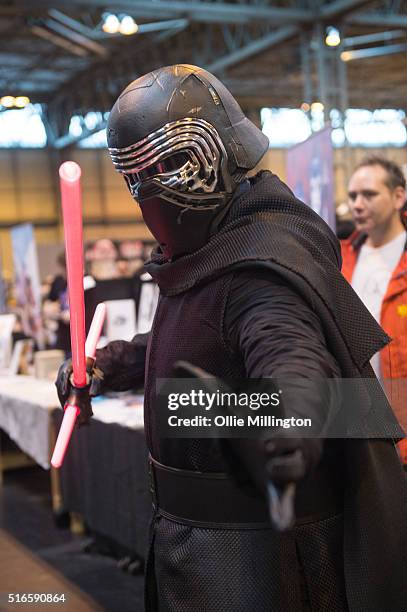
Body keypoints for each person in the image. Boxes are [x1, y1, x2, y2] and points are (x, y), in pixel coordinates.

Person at [56, 65, 407, 611]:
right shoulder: (215, 249)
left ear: (222, 152)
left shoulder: (260, 263)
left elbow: (291, 357)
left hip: (249, 559)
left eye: (171, 163)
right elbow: (196, 337)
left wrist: (285, 427)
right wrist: (109, 364)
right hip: (203, 543)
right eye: (137, 174)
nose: (152, 190)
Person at [341, 157, 407, 465]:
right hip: (360, 430)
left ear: (398, 197)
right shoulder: (339, 259)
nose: (357, 204)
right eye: (353, 196)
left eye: (369, 194)